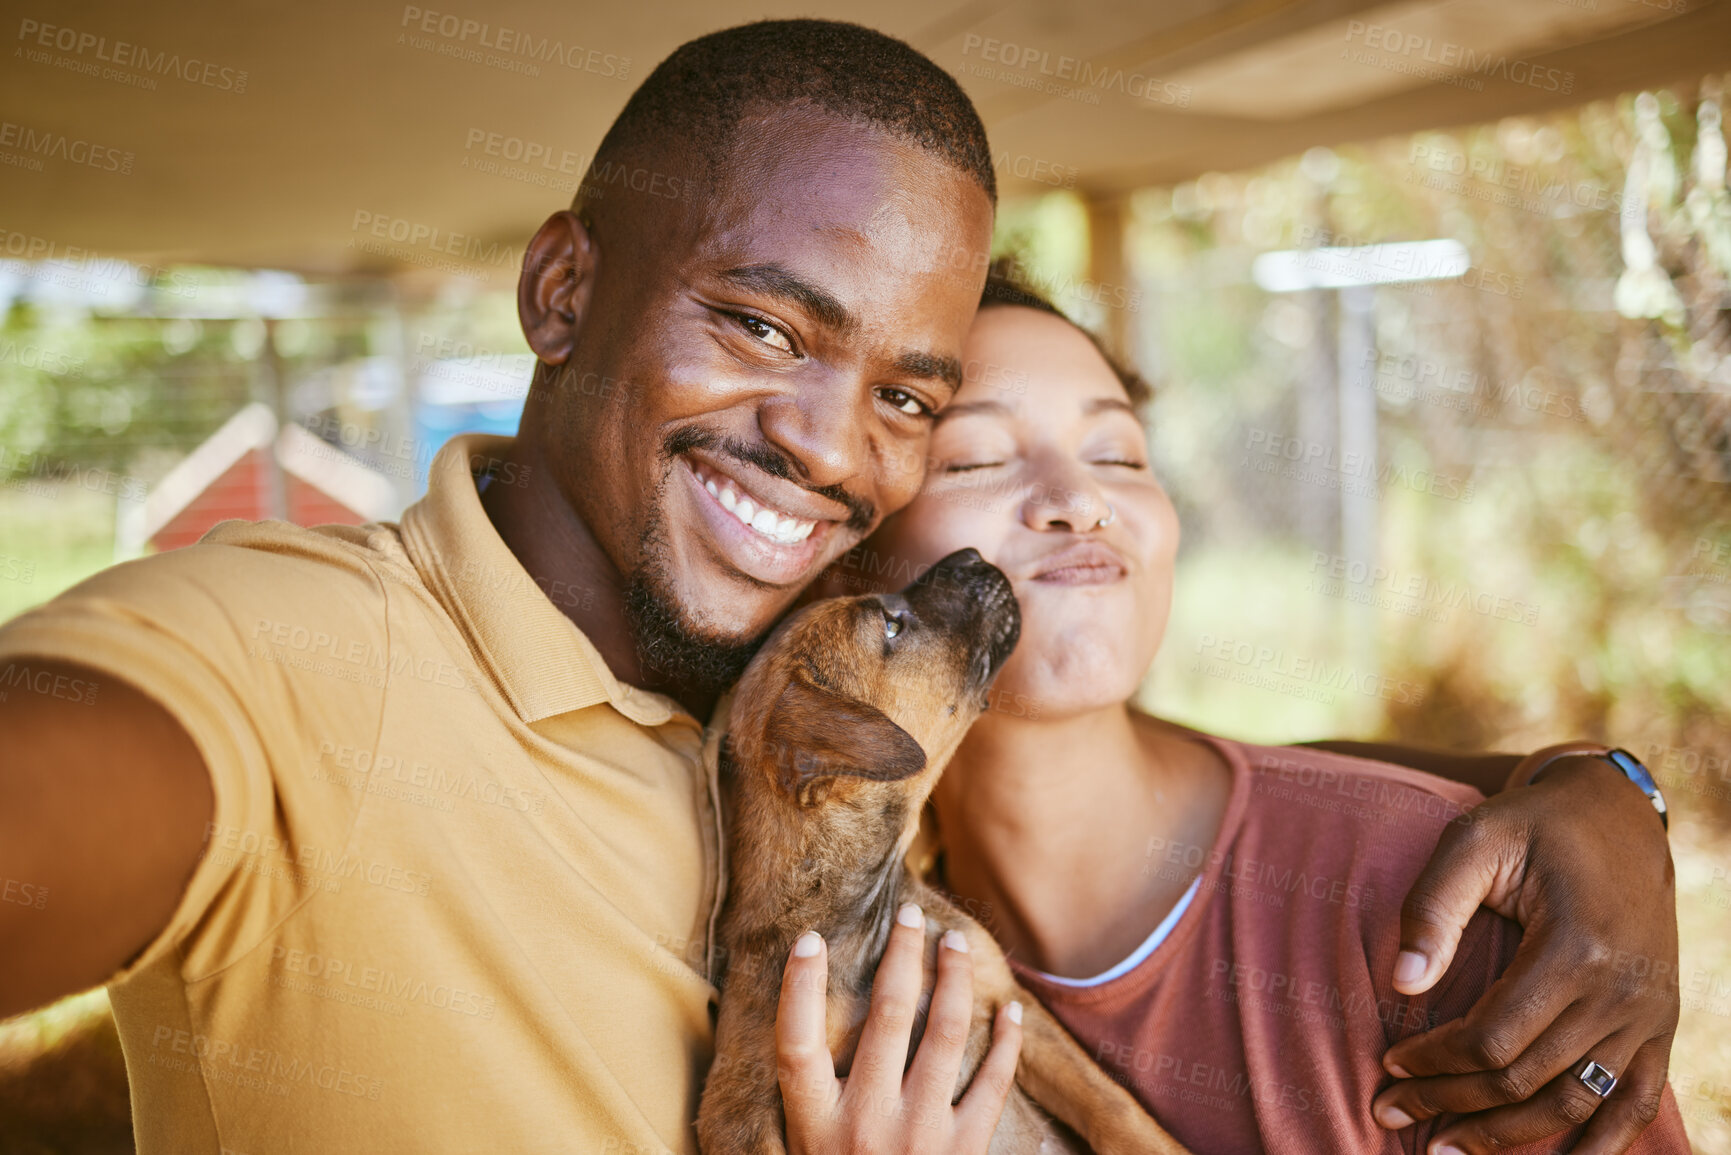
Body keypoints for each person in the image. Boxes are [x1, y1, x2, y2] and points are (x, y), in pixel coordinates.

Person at [0, 19, 1677, 1155]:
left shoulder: (809, 722)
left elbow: (1217, 786)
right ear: (565, 288)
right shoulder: (306, 658)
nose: (821, 443)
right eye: (759, 322)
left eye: (900, 395)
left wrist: (1600, 792)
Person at [777, 264, 1687, 1153]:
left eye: (1118, 455)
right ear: (846, 552)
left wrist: (1613, 785)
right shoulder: (846, 988)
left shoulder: (1437, 915)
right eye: (973, 458)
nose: (1081, 501)